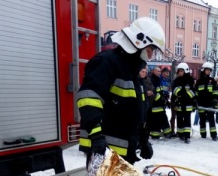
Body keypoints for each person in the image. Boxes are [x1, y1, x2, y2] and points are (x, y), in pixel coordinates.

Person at [77, 17, 165, 165]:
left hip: (124, 153)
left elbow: (137, 110)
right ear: (139, 43)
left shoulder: (133, 71)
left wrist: (143, 140)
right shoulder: (106, 62)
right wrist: (96, 136)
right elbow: (88, 99)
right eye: (150, 50)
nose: (150, 56)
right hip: (103, 151)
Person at [194, 62, 218, 140]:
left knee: (211, 120)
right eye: (207, 70)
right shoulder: (199, 81)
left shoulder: (212, 81)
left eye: (209, 70)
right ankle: (203, 134)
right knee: (202, 120)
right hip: (201, 104)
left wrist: (215, 100)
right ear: (203, 70)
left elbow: (216, 91)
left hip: (210, 104)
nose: (208, 71)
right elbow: (196, 93)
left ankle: (214, 135)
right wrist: (196, 101)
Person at [172, 62, 196, 143]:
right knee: (179, 119)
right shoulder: (176, 81)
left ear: (185, 71)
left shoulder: (190, 80)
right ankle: (180, 134)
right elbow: (174, 90)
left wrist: (186, 95)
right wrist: (181, 93)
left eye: (181, 71)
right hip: (179, 103)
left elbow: (193, 92)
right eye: (179, 71)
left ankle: (187, 136)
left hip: (188, 103)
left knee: (187, 120)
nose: (180, 73)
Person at [147, 66, 172, 139]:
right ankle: (155, 135)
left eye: (159, 71)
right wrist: (161, 98)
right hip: (155, 104)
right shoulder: (152, 79)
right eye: (158, 71)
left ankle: (167, 133)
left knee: (163, 118)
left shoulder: (158, 79)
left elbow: (161, 90)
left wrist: (165, 98)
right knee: (156, 121)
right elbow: (153, 92)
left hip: (161, 104)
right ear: (153, 71)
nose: (159, 73)